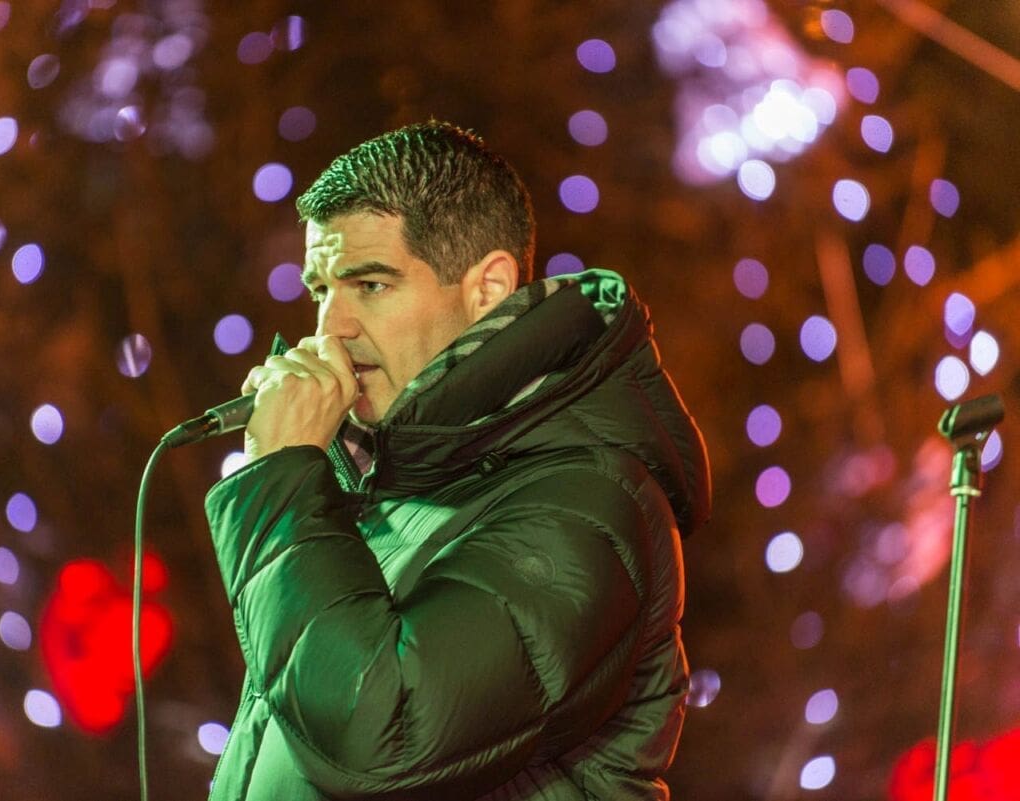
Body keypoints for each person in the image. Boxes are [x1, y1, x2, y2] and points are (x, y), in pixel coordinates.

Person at [203, 121, 711, 800]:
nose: (330, 330)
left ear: (488, 288)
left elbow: (383, 734)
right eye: (321, 290)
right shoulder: (373, 489)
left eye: (370, 284)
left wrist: (282, 477)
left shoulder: (589, 501)